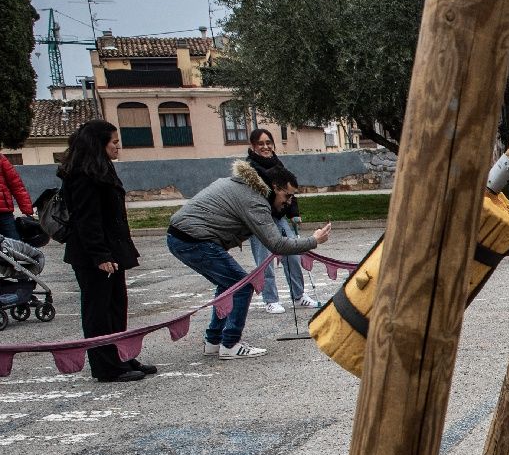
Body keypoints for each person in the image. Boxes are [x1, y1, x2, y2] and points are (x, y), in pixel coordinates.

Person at [166, 160, 330, 359]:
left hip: (183, 236)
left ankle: (213, 341)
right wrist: (314, 240)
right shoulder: (255, 200)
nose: (288, 202)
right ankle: (230, 343)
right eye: (287, 195)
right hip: (193, 238)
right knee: (241, 286)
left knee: (228, 286)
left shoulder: (244, 187)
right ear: (275, 187)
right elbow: (277, 244)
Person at [58, 120, 151, 383]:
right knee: (98, 311)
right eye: (113, 142)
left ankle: (120, 356)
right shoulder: (83, 175)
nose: (117, 147)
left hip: (113, 251)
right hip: (94, 257)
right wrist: (100, 255)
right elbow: (88, 220)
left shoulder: (101, 169)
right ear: (98, 144)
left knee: (116, 307)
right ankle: (105, 366)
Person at [243, 129, 314, 314]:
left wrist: (293, 213)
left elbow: (288, 189)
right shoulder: (249, 168)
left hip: (278, 216)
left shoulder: (277, 163)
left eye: (268, 143)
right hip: (258, 219)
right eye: (261, 144)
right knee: (264, 260)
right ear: (253, 146)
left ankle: (298, 296)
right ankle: (270, 300)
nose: (266, 147)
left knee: (293, 254)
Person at [0, 152, 33, 242]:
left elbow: (17, 185)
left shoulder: (1, 159)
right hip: (4, 212)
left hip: (3, 213)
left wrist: (26, 209)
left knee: (15, 244)